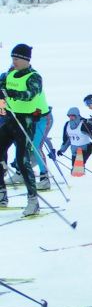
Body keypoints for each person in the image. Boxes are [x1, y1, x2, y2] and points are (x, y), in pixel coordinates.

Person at [0, 44, 48, 217]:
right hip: (11, 119)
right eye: (13, 59)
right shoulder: (9, 74)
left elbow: (31, 94)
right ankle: (2, 194)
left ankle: (33, 200)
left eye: (17, 59)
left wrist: (10, 93)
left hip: (26, 121)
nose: (14, 62)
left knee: (22, 159)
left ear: (26, 60)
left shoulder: (34, 76)